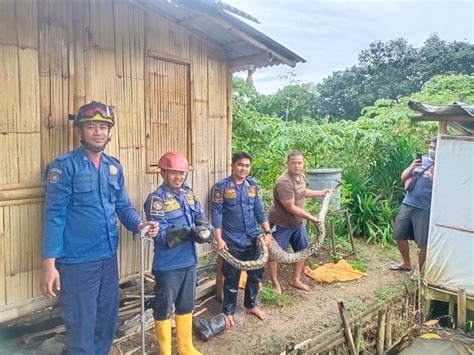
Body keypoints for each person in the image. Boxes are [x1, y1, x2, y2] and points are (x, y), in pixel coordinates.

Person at [40, 101, 159, 354]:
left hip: (108, 258)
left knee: (106, 322)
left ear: (109, 131)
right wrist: (49, 264)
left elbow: (122, 205)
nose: (98, 132)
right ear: (80, 131)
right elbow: (54, 216)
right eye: (91, 126)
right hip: (77, 262)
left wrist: (139, 225)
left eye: (103, 127)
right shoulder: (64, 167)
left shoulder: (113, 166)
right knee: (81, 328)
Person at [144, 151, 213, 355]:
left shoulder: (189, 194)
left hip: (189, 261)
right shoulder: (156, 199)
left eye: (182, 173)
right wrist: (189, 232)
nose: (179, 177)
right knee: (164, 307)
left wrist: (205, 229)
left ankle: (185, 347)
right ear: (163, 173)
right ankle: (165, 351)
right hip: (168, 265)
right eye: (173, 173)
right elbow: (160, 234)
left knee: (186, 304)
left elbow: (200, 216)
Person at [211, 152, 273, 327]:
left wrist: (268, 232)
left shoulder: (253, 186)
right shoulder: (220, 187)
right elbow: (216, 214)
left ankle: (250, 305)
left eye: (247, 165)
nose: (243, 168)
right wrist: (218, 238)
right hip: (231, 240)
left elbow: (259, 211)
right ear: (232, 165)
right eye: (240, 165)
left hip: (253, 238)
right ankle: (228, 312)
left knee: (255, 275)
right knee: (231, 278)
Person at [267, 151, 330, 294]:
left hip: (297, 224)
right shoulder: (284, 182)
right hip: (281, 224)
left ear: (303, 164)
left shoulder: (300, 177)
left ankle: (295, 279)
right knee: (274, 255)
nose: (296, 166)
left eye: (299, 163)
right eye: (293, 163)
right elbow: (291, 207)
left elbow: (302, 192)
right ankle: (274, 284)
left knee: (303, 251)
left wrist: (320, 192)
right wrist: (312, 218)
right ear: (287, 163)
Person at [390, 137, 437, 276]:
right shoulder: (422, 160)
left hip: (425, 208)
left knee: (423, 241)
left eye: (434, 148)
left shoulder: (445, 164)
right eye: (430, 147)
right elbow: (403, 177)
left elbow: (448, 189)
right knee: (399, 234)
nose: (431, 150)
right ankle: (406, 263)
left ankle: (419, 269)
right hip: (408, 202)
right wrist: (412, 167)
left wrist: (434, 180)